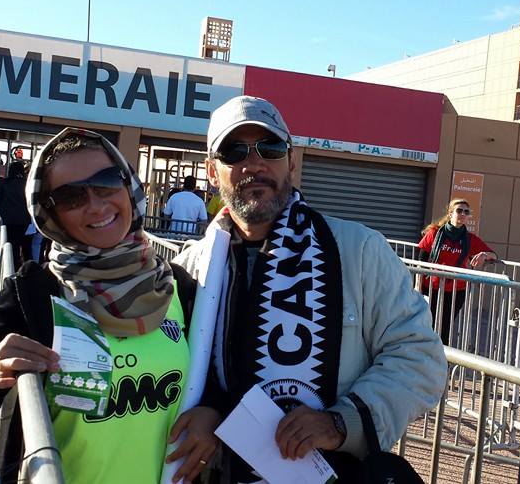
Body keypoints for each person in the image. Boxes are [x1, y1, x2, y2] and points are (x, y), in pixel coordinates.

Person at [174, 95, 446, 482]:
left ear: (292, 161)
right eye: (234, 152)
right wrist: (208, 410)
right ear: (211, 172)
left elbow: (420, 357)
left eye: (269, 148)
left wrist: (341, 423)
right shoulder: (189, 269)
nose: (254, 164)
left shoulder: (359, 251)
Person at [0, 129, 218, 483]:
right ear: (49, 214)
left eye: (107, 183)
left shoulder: (178, 287)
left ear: (128, 186)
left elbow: (215, 380)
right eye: (70, 197)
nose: (95, 205)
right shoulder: (33, 295)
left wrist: (212, 412)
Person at [417, 198, 498, 345]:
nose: (463, 214)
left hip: (456, 289)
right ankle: (423, 354)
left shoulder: (470, 239)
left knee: (445, 327)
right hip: (432, 287)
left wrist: (484, 254)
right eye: (459, 210)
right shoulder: (435, 233)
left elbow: (494, 255)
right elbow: (421, 260)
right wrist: (418, 285)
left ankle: (441, 356)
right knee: (428, 323)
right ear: (450, 213)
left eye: (466, 212)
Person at [0, 161, 31, 266]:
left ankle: (9, 265)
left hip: (7, 219)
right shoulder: (26, 183)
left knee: (8, 243)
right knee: (19, 244)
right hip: (23, 220)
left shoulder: (4, 183)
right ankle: (17, 266)